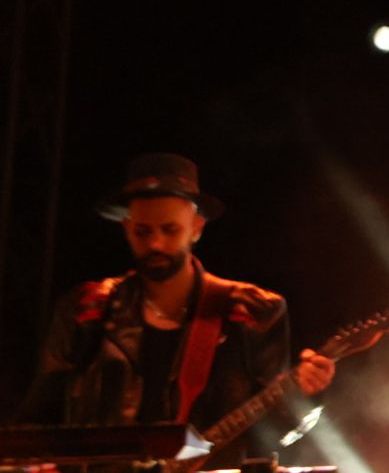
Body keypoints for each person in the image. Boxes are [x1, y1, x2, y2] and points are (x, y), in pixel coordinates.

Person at [17, 153, 334, 469]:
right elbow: (39, 417)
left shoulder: (252, 312)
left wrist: (304, 397)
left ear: (196, 228)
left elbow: (275, 435)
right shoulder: (85, 308)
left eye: (170, 230)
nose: (155, 244)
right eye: (143, 231)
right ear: (126, 228)